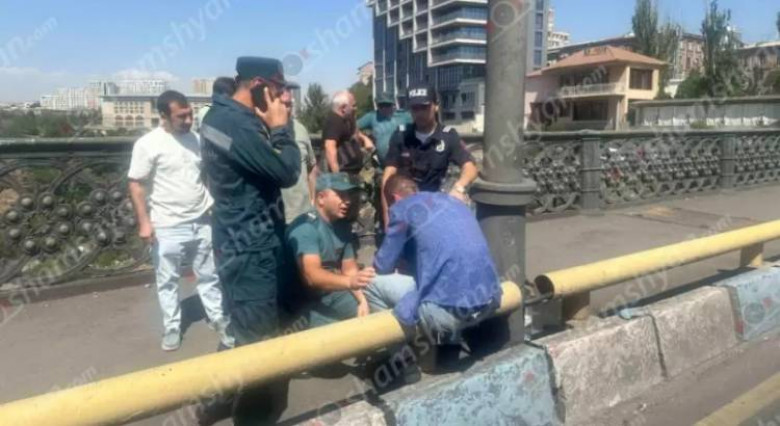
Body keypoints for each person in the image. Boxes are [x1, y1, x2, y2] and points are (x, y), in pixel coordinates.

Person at [200, 57, 300, 425]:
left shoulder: (217, 117)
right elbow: (287, 171)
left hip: (239, 239)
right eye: (278, 88)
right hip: (250, 248)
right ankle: (251, 416)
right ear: (258, 84)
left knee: (242, 327)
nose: (283, 96)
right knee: (257, 340)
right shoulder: (236, 123)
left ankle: (225, 398)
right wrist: (281, 129)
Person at [127, 90, 233, 352]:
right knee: (168, 280)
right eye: (181, 116)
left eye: (189, 115)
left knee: (208, 275)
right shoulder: (148, 144)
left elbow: (205, 174)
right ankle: (172, 326)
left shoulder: (196, 140)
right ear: (163, 116)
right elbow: (136, 184)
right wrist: (144, 222)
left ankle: (218, 318)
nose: (187, 120)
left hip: (201, 219)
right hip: (168, 224)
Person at [365, 174, 501, 362]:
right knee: (447, 279)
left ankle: (402, 363)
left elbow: (383, 265)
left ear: (395, 198)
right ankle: (448, 350)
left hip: (447, 316)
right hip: (490, 302)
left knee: (371, 285)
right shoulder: (451, 201)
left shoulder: (403, 208)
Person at [285, 173, 378, 328]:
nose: (347, 201)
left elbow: (349, 270)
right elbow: (311, 277)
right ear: (321, 198)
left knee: (374, 313)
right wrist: (349, 282)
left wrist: (362, 300)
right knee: (339, 335)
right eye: (341, 195)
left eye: (348, 195)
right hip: (303, 304)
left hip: (334, 293)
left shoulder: (342, 226)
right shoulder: (306, 228)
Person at [381, 84, 479, 226]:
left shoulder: (448, 136)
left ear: (436, 106)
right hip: (407, 205)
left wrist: (459, 187)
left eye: (424, 107)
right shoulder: (401, 135)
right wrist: (388, 217)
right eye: (415, 108)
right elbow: (388, 174)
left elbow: (470, 167)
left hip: (435, 205)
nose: (419, 113)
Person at [280, 82, 318, 224]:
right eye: (283, 104)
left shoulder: (300, 129)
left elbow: (312, 167)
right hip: (277, 218)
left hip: (303, 214)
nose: (287, 109)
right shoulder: (261, 132)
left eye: (289, 104)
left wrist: (313, 200)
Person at [322, 90, 374, 175]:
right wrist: (337, 176)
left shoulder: (347, 119)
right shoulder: (334, 121)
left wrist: (364, 138)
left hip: (353, 171)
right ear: (343, 108)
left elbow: (355, 132)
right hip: (343, 173)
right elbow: (329, 147)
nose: (356, 108)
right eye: (353, 106)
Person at [356, 92, 412, 167]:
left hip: (403, 164)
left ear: (393, 105)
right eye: (381, 106)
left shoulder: (404, 116)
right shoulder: (372, 117)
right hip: (382, 166)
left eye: (387, 105)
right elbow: (352, 127)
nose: (384, 108)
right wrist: (364, 138)